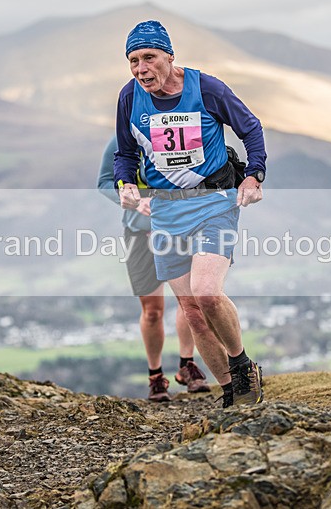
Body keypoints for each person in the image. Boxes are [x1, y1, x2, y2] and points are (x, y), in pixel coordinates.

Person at [114, 20, 267, 407]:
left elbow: (250, 128)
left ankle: (242, 365)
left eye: (149, 58)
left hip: (214, 201)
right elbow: (125, 154)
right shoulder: (129, 97)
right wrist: (125, 184)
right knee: (193, 312)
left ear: (169, 56)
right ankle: (232, 393)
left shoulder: (207, 88)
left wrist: (253, 175)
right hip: (166, 210)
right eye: (133, 61)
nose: (141, 69)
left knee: (207, 292)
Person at [99, 136, 211, 402]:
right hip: (139, 233)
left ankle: (186, 365)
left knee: (189, 301)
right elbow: (104, 183)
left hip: (178, 230)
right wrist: (136, 202)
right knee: (152, 311)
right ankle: (156, 377)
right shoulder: (120, 141)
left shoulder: (176, 133)